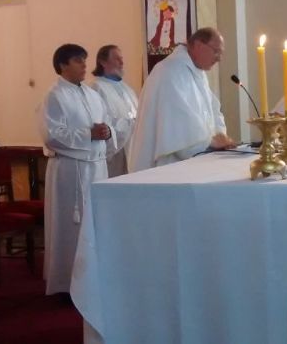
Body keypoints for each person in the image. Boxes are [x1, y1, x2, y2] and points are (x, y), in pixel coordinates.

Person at [40, 43, 115, 296]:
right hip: (70, 172)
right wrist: (89, 134)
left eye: (84, 60)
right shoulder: (54, 95)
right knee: (70, 228)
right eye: (77, 60)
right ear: (62, 65)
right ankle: (67, 283)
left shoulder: (93, 95)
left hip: (96, 167)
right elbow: (52, 135)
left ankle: (93, 278)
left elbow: (106, 125)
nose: (85, 65)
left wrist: (106, 132)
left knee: (95, 223)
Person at [129, 27, 235, 172]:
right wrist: (210, 141)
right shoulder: (170, 71)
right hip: (167, 168)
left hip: (194, 164)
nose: (219, 58)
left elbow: (213, 109)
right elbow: (178, 124)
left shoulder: (196, 72)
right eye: (216, 51)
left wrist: (221, 136)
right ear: (198, 45)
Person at [89, 44, 138, 177]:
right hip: (114, 156)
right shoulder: (97, 89)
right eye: (117, 59)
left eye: (122, 58)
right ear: (103, 62)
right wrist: (128, 125)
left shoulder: (127, 89)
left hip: (132, 150)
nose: (122, 62)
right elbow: (101, 124)